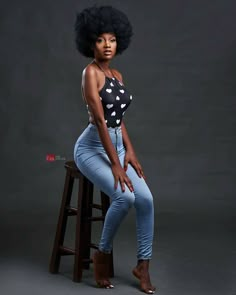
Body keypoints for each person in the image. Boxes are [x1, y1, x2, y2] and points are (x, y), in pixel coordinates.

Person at [73, 5, 156, 294]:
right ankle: (102, 255)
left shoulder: (117, 75)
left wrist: (129, 153)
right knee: (124, 197)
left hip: (117, 146)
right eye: (100, 40)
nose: (107, 45)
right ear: (90, 42)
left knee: (146, 201)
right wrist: (116, 164)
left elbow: (119, 121)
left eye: (112, 39)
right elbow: (99, 120)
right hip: (91, 148)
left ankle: (142, 266)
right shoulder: (90, 74)